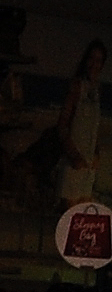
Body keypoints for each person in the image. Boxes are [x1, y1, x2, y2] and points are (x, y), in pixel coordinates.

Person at [57, 40, 105, 206]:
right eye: (91, 58)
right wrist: (74, 155)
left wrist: (97, 154)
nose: (94, 64)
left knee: (84, 219)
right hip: (73, 163)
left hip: (88, 166)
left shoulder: (97, 92)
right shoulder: (77, 87)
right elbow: (62, 125)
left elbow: (95, 127)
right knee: (70, 216)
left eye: (99, 60)